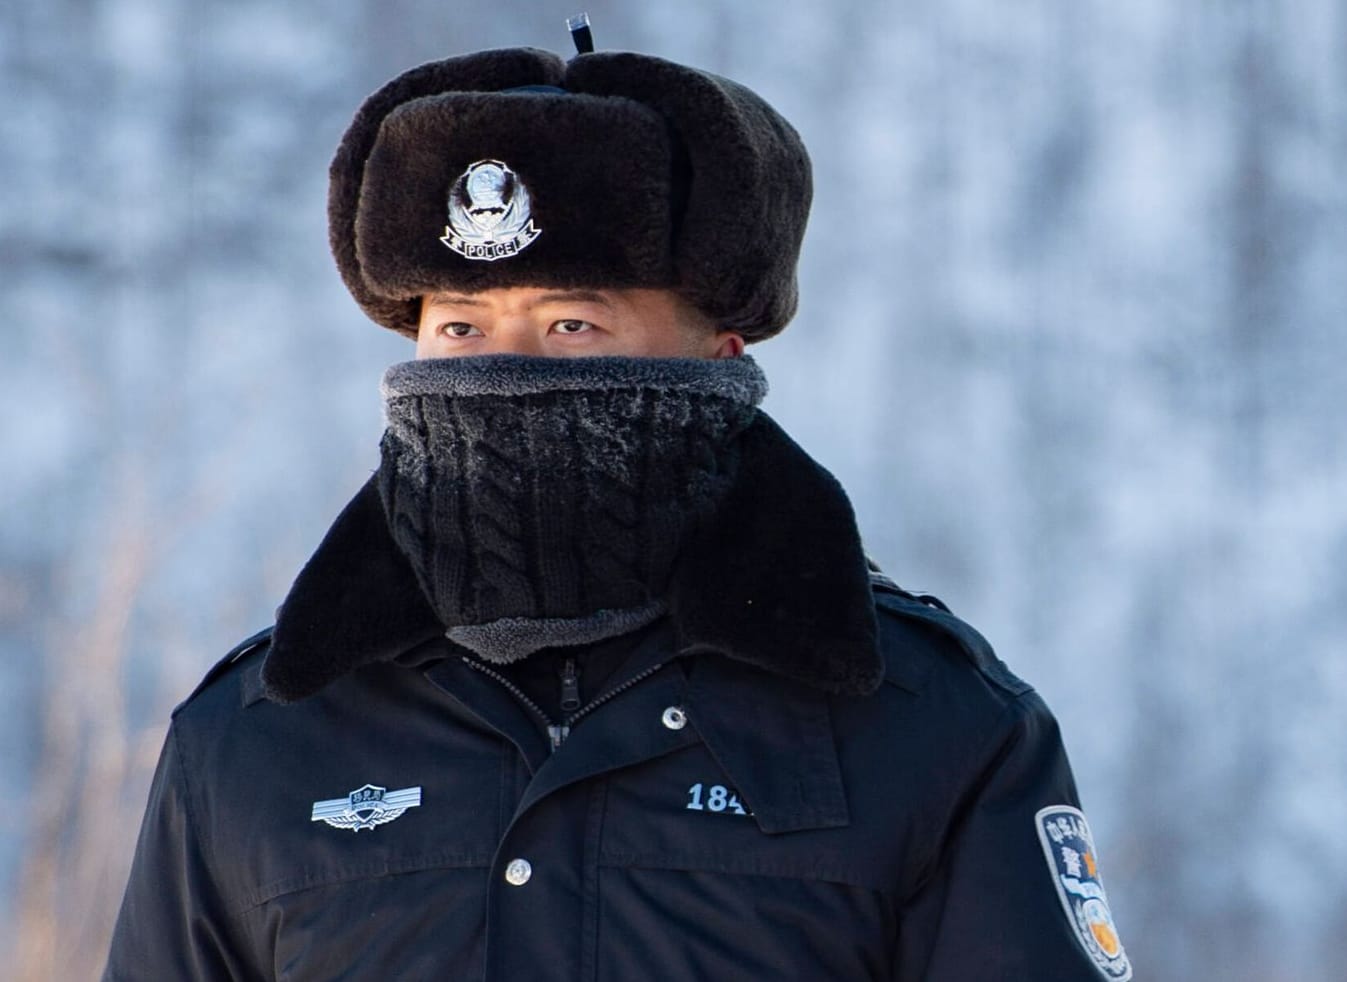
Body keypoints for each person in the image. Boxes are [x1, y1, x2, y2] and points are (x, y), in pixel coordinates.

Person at [104, 32, 1132, 982]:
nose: (503, 369)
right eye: (459, 328)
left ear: (718, 352)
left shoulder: (930, 728)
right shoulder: (257, 738)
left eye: (572, 324)